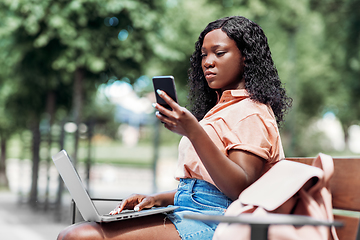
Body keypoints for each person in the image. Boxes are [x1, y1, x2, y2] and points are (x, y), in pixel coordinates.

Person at [57, 16, 292, 240]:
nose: (208, 62)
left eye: (219, 53)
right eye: (203, 55)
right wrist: (157, 199)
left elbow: (239, 188)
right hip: (189, 213)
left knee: (78, 236)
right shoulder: (222, 109)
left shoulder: (251, 111)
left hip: (221, 224)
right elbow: (204, 190)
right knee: (79, 232)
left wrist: (193, 131)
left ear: (246, 58)